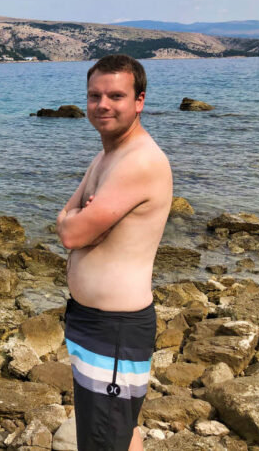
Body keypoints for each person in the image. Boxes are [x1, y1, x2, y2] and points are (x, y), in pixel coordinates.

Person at [56, 54, 172, 451]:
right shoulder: (107, 155)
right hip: (92, 322)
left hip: (115, 329)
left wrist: (75, 219)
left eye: (116, 95)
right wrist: (75, 220)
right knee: (118, 431)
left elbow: (70, 231)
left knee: (104, 440)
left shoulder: (139, 161)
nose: (102, 104)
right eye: (94, 95)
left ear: (139, 101)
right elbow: (70, 222)